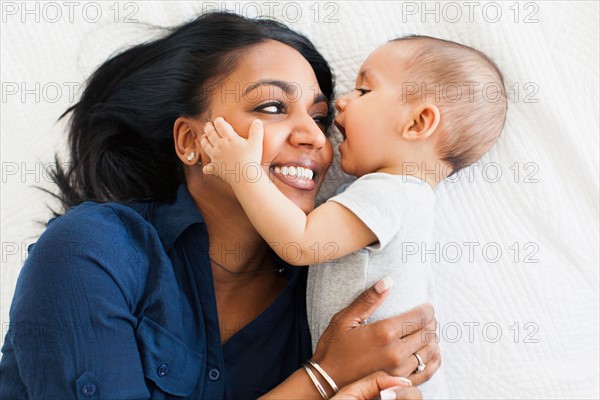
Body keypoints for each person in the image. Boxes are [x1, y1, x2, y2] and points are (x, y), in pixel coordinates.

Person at [0, 12, 441, 400]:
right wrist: (322, 378)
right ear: (191, 142)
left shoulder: (326, 301)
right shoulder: (92, 250)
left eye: (321, 118)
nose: (316, 138)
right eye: (272, 106)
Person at [200, 35, 507, 397]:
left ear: (418, 122)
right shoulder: (402, 195)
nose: (341, 103)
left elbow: (300, 243)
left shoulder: (391, 192)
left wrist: (244, 173)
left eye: (363, 90)